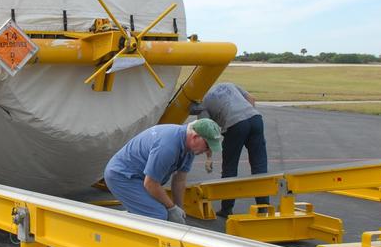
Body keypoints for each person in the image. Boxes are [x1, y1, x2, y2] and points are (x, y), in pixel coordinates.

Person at [104, 119, 222, 224]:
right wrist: (172, 208)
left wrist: (178, 210)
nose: (208, 150)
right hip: (122, 176)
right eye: (207, 146)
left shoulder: (190, 147)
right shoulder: (168, 147)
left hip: (140, 178)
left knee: (162, 211)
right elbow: (150, 184)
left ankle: (134, 218)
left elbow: (179, 180)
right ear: (195, 137)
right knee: (157, 215)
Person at [196, 82, 268, 218]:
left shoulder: (204, 102)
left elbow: (207, 132)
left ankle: (226, 208)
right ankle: (263, 208)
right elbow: (251, 99)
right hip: (255, 118)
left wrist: (209, 158)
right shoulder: (228, 85)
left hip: (235, 125)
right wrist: (247, 117)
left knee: (230, 168)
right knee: (259, 166)